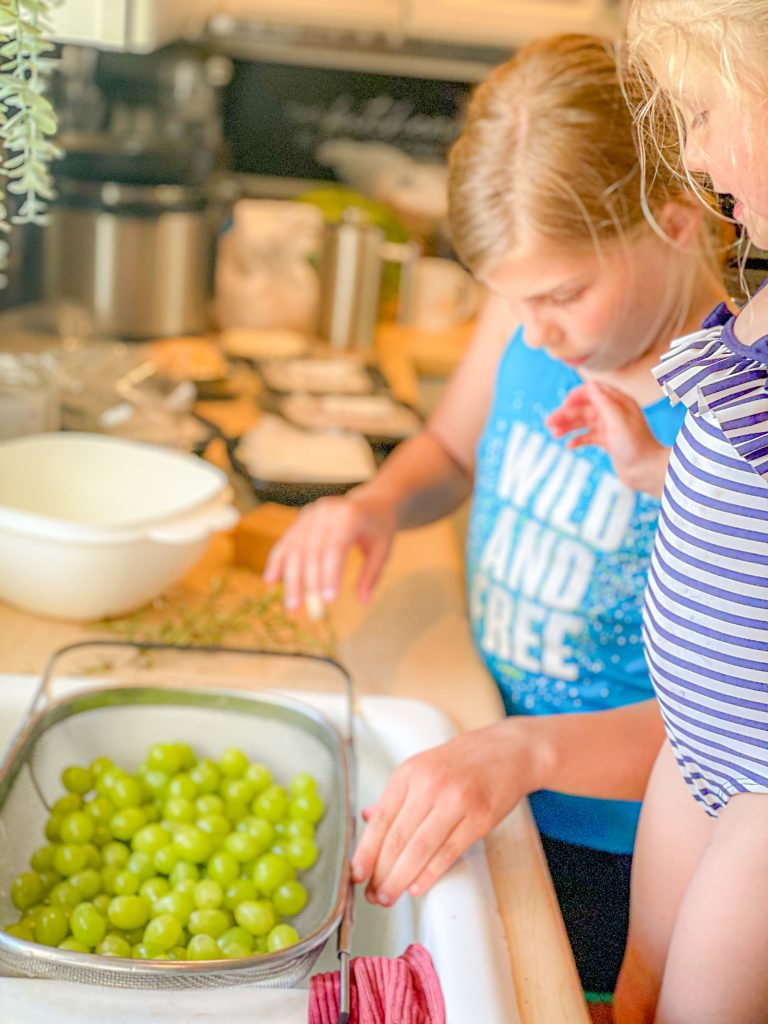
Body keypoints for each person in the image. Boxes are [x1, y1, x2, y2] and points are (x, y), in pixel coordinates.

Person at [264, 34, 726, 1010]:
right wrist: (378, 503)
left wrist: (529, 750)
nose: (531, 333)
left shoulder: (733, 429)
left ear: (676, 223)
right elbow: (454, 450)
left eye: (559, 296)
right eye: (508, 298)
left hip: (614, 842)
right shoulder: (531, 314)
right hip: (484, 756)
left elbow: (729, 732)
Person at [547, 4, 768, 1022]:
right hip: (698, 742)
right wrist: (654, 467)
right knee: (637, 985)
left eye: (709, 110)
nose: (693, 148)